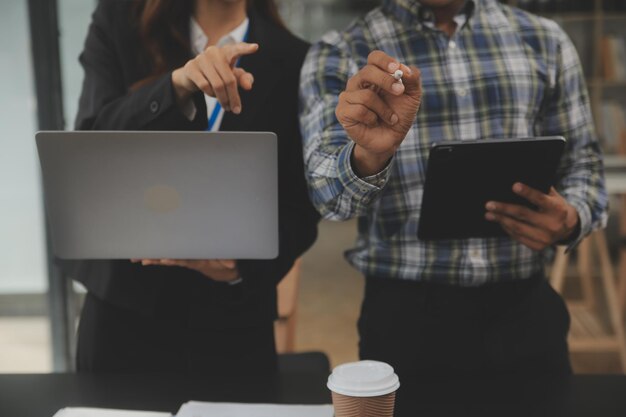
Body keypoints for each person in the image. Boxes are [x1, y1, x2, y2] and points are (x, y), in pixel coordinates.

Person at [300, 0, 608, 377]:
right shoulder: (341, 51)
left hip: (525, 307)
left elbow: (584, 164)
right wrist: (367, 155)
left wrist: (571, 217)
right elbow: (328, 199)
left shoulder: (544, 39)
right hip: (406, 320)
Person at [70, 0, 319, 374]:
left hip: (233, 321)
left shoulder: (295, 58)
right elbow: (89, 146)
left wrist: (239, 266)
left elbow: (303, 205)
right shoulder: (120, 22)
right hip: (123, 310)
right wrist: (175, 86)